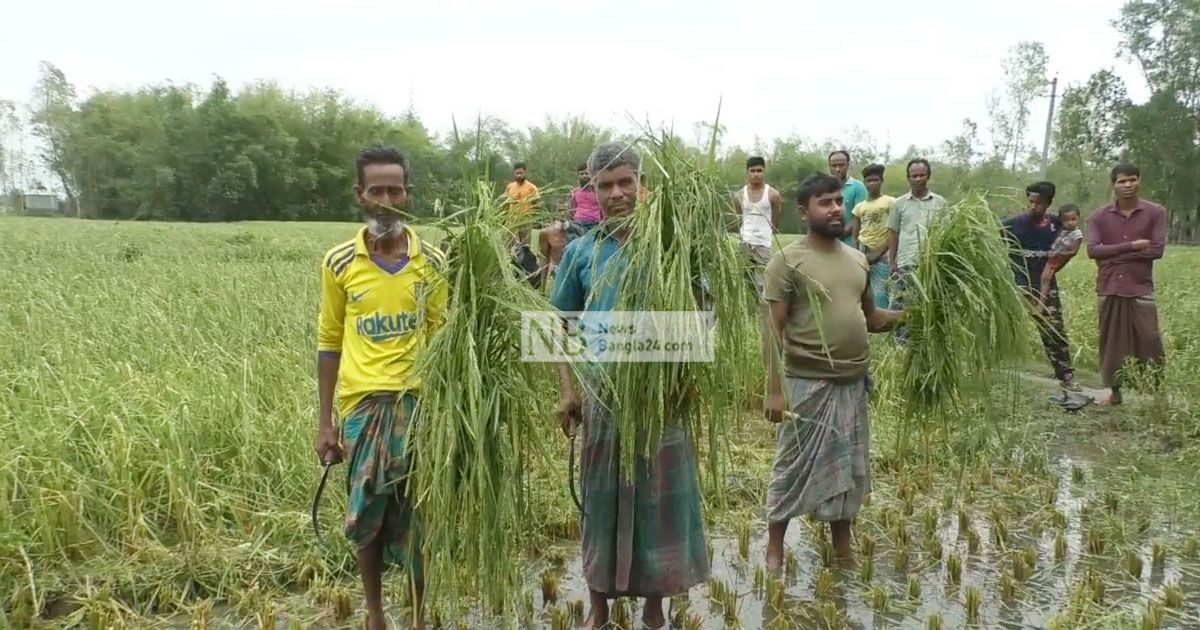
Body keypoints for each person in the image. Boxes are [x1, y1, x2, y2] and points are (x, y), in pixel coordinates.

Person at [551, 141, 709, 629]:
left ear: (643, 185)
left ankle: (655, 608)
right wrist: (567, 390)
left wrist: (686, 373)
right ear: (592, 192)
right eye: (606, 185)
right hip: (603, 395)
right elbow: (559, 324)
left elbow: (704, 314)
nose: (617, 193)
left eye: (626, 182)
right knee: (601, 498)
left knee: (661, 499)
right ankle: (599, 609)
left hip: (664, 396)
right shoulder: (581, 252)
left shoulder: (671, 246)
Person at [314, 145, 449, 630]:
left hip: (419, 406)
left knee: (419, 517)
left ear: (407, 194)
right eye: (377, 190)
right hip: (362, 407)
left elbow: (441, 335)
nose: (387, 199)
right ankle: (375, 615)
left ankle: (416, 616)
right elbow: (329, 341)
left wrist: (449, 410)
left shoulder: (431, 261)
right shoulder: (338, 262)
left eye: (396, 189)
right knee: (365, 514)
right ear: (360, 195)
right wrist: (325, 423)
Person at [762, 173, 902, 572]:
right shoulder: (787, 261)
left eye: (839, 201)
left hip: (852, 383)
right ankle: (775, 547)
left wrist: (913, 316)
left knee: (849, 469)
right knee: (791, 467)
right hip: (807, 383)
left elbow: (871, 318)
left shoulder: (858, 258)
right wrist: (774, 391)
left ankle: (843, 548)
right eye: (825, 202)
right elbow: (772, 330)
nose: (836, 208)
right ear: (804, 212)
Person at [1086, 162, 1167, 406]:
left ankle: (1154, 394)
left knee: (1149, 338)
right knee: (1112, 341)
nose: (1128, 185)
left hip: (1140, 286)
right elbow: (1092, 251)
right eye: (1122, 181)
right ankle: (1115, 393)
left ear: (1139, 181)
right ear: (1114, 185)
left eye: (1132, 179)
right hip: (1109, 286)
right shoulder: (1098, 217)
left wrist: (1111, 255)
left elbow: (1156, 250)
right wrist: (1131, 246)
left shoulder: (1155, 213)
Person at [1002, 182, 1081, 392]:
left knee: (1054, 330)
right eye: (1029, 201)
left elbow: (1071, 242)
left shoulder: (1056, 224)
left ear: (1047, 203)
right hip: (1016, 285)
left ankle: (1067, 377)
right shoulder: (1013, 224)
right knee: (999, 325)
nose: (1032, 206)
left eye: (1037, 203)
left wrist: (1057, 265)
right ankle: (986, 366)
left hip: (1045, 285)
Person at [886, 158, 946, 338]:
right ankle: (899, 344)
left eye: (922, 175)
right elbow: (893, 233)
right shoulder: (899, 204)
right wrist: (892, 262)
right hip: (905, 263)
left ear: (928, 176)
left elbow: (945, 234)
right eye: (914, 175)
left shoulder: (940, 202)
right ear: (908, 178)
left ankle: (926, 341)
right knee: (901, 305)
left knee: (929, 306)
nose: (918, 179)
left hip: (931, 264)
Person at [732, 156, 781, 297]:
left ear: (764, 172)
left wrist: (768, 235)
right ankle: (748, 309)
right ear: (747, 172)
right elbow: (738, 218)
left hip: (763, 244)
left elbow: (775, 221)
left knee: (762, 282)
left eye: (759, 170)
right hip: (745, 242)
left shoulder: (773, 194)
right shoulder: (739, 195)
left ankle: (762, 310)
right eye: (752, 171)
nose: (756, 174)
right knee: (744, 280)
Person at [851, 164, 895, 308]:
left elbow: (894, 231)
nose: (872, 183)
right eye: (869, 181)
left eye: (875, 180)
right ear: (864, 183)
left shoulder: (891, 202)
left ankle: (883, 323)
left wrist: (879, 252)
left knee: (880, 291)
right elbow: (855, 234)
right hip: (864, 250)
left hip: (883, 253)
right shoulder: (859, 207)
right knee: (862, 289)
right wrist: (857, 254)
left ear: (881, 181)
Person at [1040, 204, 1084, 305]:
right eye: (1066, 220)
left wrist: (1059, 254)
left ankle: (1041, 304)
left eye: (1073, 219)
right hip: (1051, 253)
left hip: (1058, 257)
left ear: (1078, 218)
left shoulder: (1077, 235)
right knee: (1044, 277)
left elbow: (1073, 252)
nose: (1070, 223)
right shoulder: (1061, 229)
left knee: (1045, 278)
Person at [828, 150, 868, 246]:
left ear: (848, 165)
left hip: (850, 243)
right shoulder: (824, 187)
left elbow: (859, 217)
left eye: (841, 165)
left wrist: (838, 235)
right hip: (828, 241)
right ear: (829, 167)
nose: (838, 169)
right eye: (834, 166)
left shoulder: (858, 187)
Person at [505, 162, 540, 246]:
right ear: (514, 173)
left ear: (525, 172)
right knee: (511, 243)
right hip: (512, 219)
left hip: (526, 219)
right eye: (517, 173)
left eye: (521, 173)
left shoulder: (532, 187)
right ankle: (512, 259)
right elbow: (505, 202)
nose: (519, 175)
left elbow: (537, 204)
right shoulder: (510, 186)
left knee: (526, 244)